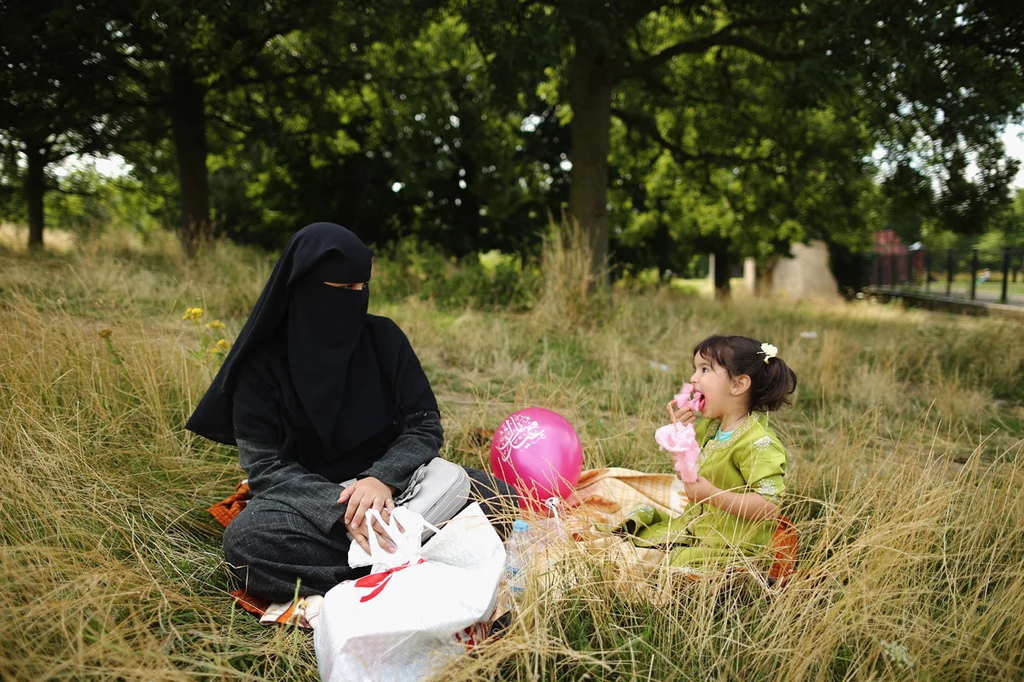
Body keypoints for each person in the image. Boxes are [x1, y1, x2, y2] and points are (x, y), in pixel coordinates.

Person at [186, 222, 511, 602]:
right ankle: (423, 564)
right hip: (314, 507)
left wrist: (380, 480)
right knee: (248, 543)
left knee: (504, 500)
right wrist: (345, 512)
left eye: (362, 288)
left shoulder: (384, 339)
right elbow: (267, 468)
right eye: (342, 290)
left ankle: (385, 568)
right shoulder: (260, 366)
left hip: (399, 491)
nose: (356, 299)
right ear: (304, 289)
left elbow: (423, 424)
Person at [625, 335, 797, 570]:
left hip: (733, 544)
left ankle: (742, 577)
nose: (693, 378)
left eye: (705, 369)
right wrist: (680, 437)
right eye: (695, 369)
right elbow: (687, 475)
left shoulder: (758, 443)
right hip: (699, 528)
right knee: (643, 520)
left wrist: (712, 494)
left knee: (674, 564)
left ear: (738, 385)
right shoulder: (712, 427)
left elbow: (769, 506)